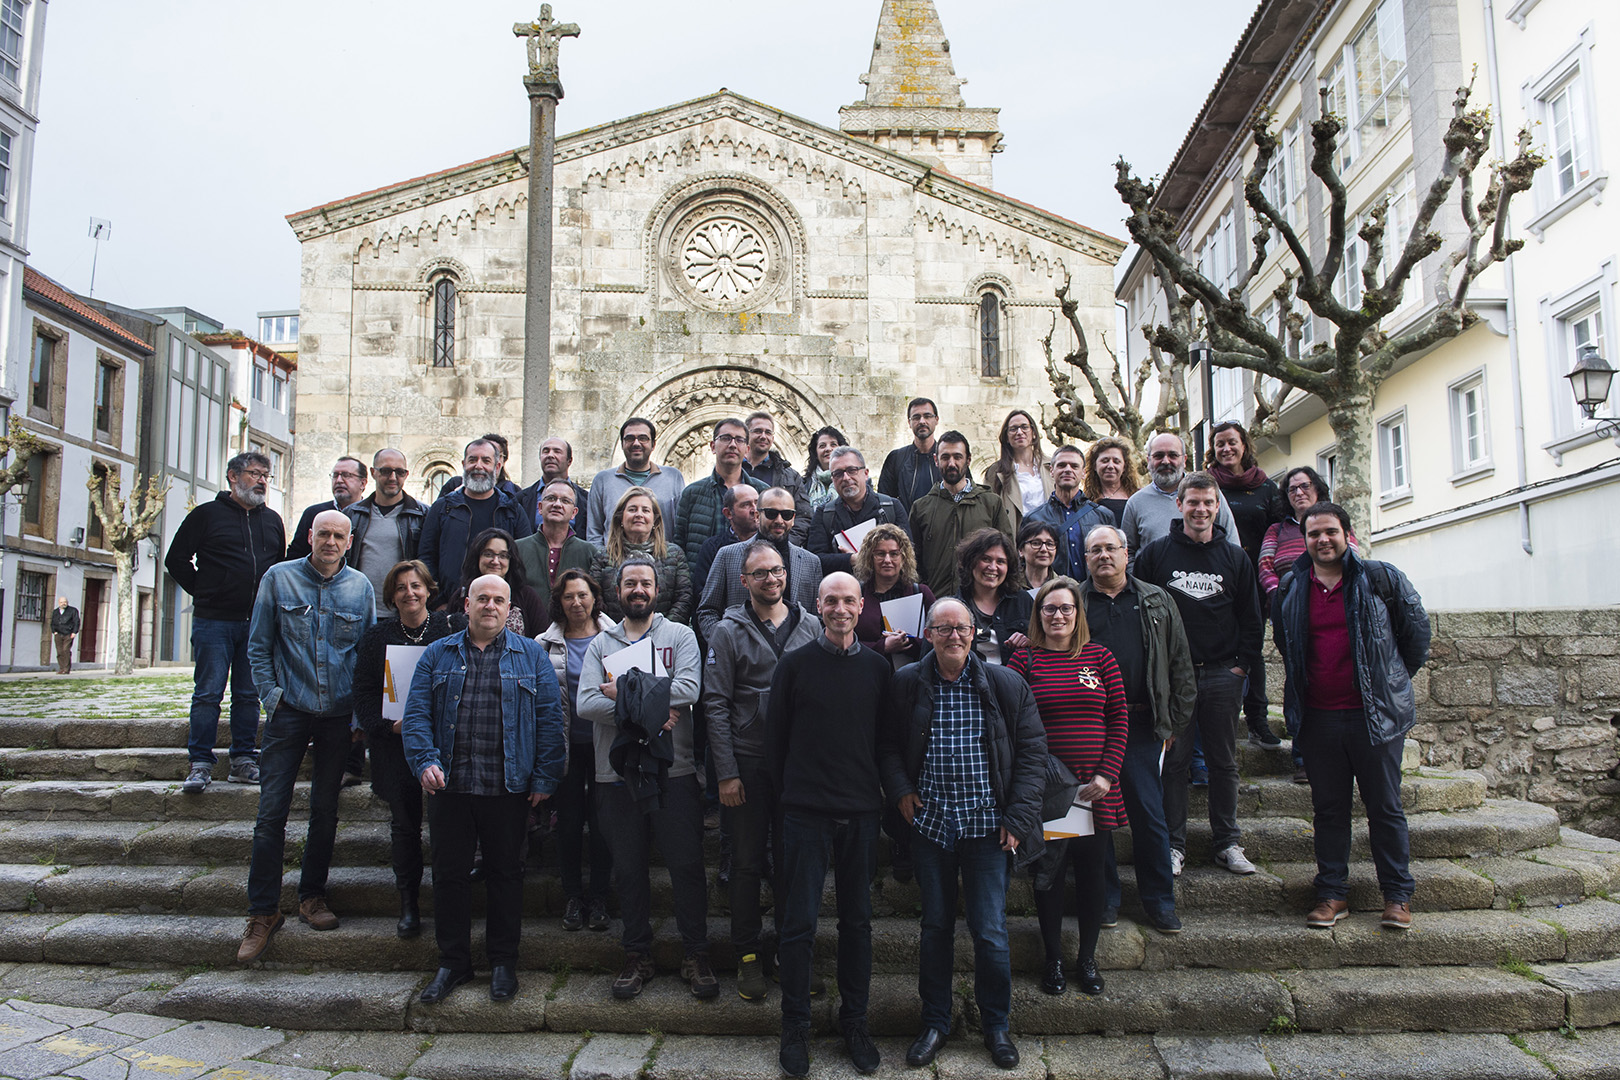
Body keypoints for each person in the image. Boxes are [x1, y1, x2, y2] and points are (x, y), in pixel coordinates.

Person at [884, 596, 1046, 1070]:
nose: (953, 636)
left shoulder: (1005, 683)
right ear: (929, 634)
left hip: (987, 830)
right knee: (935, 928)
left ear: (974, 634)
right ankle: (935, 1022)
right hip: (930, 827)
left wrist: (1018, 819)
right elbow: (888, 744)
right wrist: (899, 790)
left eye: (961, 629)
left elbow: (1034, 754)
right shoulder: (906, 683)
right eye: (943, 629)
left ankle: (996, 1026)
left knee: (991, 931)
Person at [403, 573, 567, 1004]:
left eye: (498, 600)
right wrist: (424, 761)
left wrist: (545, 777)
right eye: (482, 599)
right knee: (449, 876)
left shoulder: (531, 656)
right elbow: (417, 712)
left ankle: (502, 964)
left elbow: (552, 720)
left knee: (506, 876)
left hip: (507, 788)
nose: (490, 606)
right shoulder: (437, 653)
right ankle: (452, 963)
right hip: (450, 787)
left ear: (509, 608)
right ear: (467, 604)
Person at [1273, 502, 1430, 932]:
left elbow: (1415, 636)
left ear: (1347, 534)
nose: (1322, 540)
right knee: (1328, 810)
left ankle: (1397, 896)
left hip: (1373, 717)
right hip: (1319, 717)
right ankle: (1332, 894)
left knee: (1385, 807)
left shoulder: (1380, 578)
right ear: (1303, 540)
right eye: (1313, 534)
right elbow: (1288, 645)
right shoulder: (1291, 587)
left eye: (1330, 532)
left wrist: (1389, 681)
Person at [767, 572, 892, 1078]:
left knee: (857, 924)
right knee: (797, 924)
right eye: (831, 600)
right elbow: (775, 744)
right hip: (805, 812)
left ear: (862, 606)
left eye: (849, 601)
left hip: (861, 813)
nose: (841, 609)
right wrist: (794, 797)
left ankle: (854, 1022)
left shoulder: (879, 669)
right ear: (817, 605)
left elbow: (886, 741)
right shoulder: (794, 665)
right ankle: (795, 1024)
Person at [238, 510, 375, 963]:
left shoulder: (361, 588)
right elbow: (257, 645)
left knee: (325, 810)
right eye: (323, 534)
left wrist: (359, 714)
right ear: (311, 537)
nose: (330, 542)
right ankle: (262, 912)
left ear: (349, 541)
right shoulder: (278, 579)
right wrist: (271, 697)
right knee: (270, 812)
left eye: (339, 535)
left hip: (338, 715)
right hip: (289, 710)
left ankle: (311, 896)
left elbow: (366, 654)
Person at [575, 558, 711, 1000]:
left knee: (687, 866)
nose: (638, 589)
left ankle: (696, 954)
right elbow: (586, 703)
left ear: (658, 589)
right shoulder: (601, 644)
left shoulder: (681, 635)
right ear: (617, 591)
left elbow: (690, 689)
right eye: (630, 582)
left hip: (676, 770)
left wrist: (626, 695)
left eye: (645, 583)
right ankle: (637, 954)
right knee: (629, 869)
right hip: (615, 775)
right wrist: (651, 706)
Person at [704, 540, 823, 1001]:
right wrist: (726, 773)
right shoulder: (728, 631)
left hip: (798, 767)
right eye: (760, 574)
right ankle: (748, 954)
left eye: (777, 571)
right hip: (748, 763)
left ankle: (792, 954)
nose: (771, 579)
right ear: (744, 581)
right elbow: (714, 704)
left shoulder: (810, 625)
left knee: (796, 867)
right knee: (749, 863)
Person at [1133, 473, 1263, 879]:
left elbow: (1251, 618)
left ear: (1217, 506)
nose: (1201, 509)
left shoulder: (1236, 558)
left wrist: (1241, 665)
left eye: (1209, 503)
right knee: (1174, 763)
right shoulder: (1155, 555)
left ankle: (1227, 842)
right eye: (1194, 502)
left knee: (1224, 762)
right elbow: (1141, 616)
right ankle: (1174, 844)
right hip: (1174, 680)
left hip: (1224, 674)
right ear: (1180, 505)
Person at [1010, 577, 1129, 1000]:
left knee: (1093, 876)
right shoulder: (1024, 661)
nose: (1057, 615)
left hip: (1094, 791)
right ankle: (1053, 960)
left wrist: (1106, 774)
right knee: (1051, 876)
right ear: (1038, 614)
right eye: (1049, 608)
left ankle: (1088, 960)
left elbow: (1118, 720)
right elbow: (1011, 722)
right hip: (1051, 794)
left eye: (1066, 608)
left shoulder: (1100, 658)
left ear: (1078, 613)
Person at [1080, 526, 1196, 935]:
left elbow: (1180, 661)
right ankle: (1105, 899)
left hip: (1144, 723)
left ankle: (1160, 901)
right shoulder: (1074, 601)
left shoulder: (1156, 599)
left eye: (1110, 548)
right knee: (1095, 818)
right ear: (1086, 557)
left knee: (1150, 815)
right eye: (1095, 550)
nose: (1103, 556)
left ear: (1127, 553)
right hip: (1091, 725)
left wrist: (1175, 721)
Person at [351, 559, 462, 940]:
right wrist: (387, 726)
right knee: (404, 827)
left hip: (445, 745)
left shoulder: (452, 629)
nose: (409, 593)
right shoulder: (376, 637)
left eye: (416, 586)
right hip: (395, 746)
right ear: (391, 596)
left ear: (429, 590)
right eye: (401, 588)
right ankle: (409, 904)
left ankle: (450, 904)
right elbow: (364, 694)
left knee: (448, 827)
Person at [166, 451, 286, 793]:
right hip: (214, 621)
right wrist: (206, 592)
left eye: (266, 475)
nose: (262, 480)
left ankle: (243, 761)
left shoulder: (273, 520)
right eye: (254, 473)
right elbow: (176, 559)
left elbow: (279, 569)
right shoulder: (206, 516)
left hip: (258, 624)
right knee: (207, 693)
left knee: (249, 694)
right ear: (233, 477)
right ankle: (200, 763)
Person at [1260, 467, 1359, 781]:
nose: (1298, 492)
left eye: (1304, 486)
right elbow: (1265, 565)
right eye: (1291, 489)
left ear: (1317, 489)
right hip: (1289, 612)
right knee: (1298, 676)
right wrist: (1284, 595)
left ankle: (1348, 753)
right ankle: (1303, 757)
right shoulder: (1278, 529)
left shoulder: (1336, 522)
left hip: (1335, 607)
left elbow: (1353, 559)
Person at [538, 569, 616, 934]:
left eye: (583, 595)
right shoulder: (544, 643)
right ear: (559, 601)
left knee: (603, 824)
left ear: (594, 598)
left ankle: (599, 896)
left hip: (604, 744)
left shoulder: (615, 637)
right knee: (568, 823)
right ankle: (572, 895)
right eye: (568, 596)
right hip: (565, 747)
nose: (576, 603)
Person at [1205, 421, 1287, 749]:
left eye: (1232, 443)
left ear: (1244, 445)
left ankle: (1257, 720)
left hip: (1256, 581)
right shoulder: (1205, 484)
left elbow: (1279, 531)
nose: (1226, 449)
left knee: (1252, 650)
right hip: (1215, 582)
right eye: (1220, 444)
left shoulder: (1266, 487)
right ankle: (1222, 719)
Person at [696, 487, 821, 643]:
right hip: (742, 659)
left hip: (796, 659)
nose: (779, 520)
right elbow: (707, 610)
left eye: (786, 514)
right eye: (771, 513)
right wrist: (723, 644)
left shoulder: (810, 562)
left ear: (794, 518)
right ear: (757, 515)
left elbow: (817, 616)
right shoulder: (727, 555)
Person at [418, 439, 534, 601]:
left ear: (497, 467)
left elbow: (524, 559)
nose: (478, 466)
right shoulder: (442, 508)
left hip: (498, 605)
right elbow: (426, 557)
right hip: (450, 604)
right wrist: (438, 601)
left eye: (486, 461)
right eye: (472, 460)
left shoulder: (512, 510)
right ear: (464, 464)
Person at [910, 431, 1015, 599]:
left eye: (957, 457)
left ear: (968, 460)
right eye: (945, 457)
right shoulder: (922, 507)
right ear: (936, 460)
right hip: (936, 600)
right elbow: (913, 561)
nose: (951, 463)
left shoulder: (991, 503)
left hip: (981, 601)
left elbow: (1008, 554)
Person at [1120, 433, 1240, 561]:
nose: (1166, 461)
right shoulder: (1136, 502)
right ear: (1149, 460)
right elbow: (1127, 551)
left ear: (1184, 459)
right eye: (1158, 456)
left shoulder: (1207, 494)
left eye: (1173, 455)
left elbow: (1232, 544)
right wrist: (1139, 578)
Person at [589, 487, 693, 624]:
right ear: (621, 518)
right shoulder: (603, 556)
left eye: (645, 510)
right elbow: (595, 598)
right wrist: (618, 632)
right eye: (632, 509)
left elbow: (683, 598)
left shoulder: (674, 554)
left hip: (664, 638)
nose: (639, 514)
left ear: (655, 520)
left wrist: (660, 630)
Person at [343, 449, 426, 618]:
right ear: (373, 473)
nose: (393, 478)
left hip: (404, 613)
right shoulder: (351, 515)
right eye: (386, 471)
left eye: (400, 472)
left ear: (407, 474)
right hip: (357, 612)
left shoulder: (423, 515)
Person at [805, 447, 910, 576]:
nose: (845, 477)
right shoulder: (824, 514)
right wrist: (850, 560)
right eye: (838, 473)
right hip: (843, 591)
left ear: (865, 473)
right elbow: (814, 559)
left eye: (852, 470)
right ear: (832, 480)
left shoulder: (891, 507)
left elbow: (908, 552)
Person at [675, 417, 767, 564]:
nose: (732, 445)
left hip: (751, 579)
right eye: (725, 438)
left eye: (739, 440)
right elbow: (679, 546)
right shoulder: (692, 493)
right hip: (703, 579)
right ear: (712, 446)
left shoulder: (763, 492)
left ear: (747, 450)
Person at [585, 417, 686, 544]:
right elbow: (594, 532)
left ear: (653, 444)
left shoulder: (673, 477)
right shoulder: (603, 480)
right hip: (614, 561)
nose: (636, 443)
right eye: (630, 438)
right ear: (622, 443)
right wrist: (604, 560)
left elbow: (680, 529)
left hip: (661, 561)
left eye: (643, 438)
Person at [513, 480, 598, 628]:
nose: (557, 504)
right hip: (526, 635)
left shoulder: (589, 552)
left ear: (574, 513)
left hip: (573, 634)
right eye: (551, 498)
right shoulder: (517, 549)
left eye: (565, 500)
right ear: (540, 507)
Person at [851, 523, 935, 669]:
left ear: (904, 558)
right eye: (880, 554)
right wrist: (882, 646)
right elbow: (846, 642)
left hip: (912, 679)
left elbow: (938, 638)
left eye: (894, 554)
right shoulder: (857, 593)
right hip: (867, 675)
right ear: (870, 558)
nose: (887, 560)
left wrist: (907, 641)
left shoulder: (921, 593)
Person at [1025, 445, 1116, 579]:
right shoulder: (1034, 518)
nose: (1068, 470)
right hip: (1052, 593)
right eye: (1062, 465)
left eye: (1074, 466)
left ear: (1083, 472)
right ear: (1052, 470)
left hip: (1094, 593)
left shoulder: (1103, 516)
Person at [440, 529, 546, 635]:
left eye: (503, 556)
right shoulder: (461, 596)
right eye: (488, 554)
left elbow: (540, 639)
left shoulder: (526, 596)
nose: (495, 561)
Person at [954, 528, 1034, 666]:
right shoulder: (953, 607)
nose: (993, 567)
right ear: (970, 561)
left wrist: (1031, 643)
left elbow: (1046, 648)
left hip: (1014, 682)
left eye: (1001, 562)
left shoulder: (1023, 601)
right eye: (986, 559)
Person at [742, 411, 810, 542]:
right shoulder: (734, 470)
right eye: (757, 431)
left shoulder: (790, 476)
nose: (763, 436)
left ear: (773, 438)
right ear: (746, 435)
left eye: (768, 432)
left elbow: (803, 517)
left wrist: (784, 545)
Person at [286, 456, 368, 561]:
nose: (339, 480)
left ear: (363, 483)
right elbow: (296, 555)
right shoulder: (313, 513)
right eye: (335, 475)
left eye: (346, 475)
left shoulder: (370, 516)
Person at [985, 409, 1053, 527]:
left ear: (1034, 433)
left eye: (1024, 427)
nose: (1019, 432)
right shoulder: (996, 472)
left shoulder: (1051, 466)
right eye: (1013, 429)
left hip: (1048, 537)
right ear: (1006, 437)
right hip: (1015, 538)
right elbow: (987, 511)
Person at [690, 483, 759, 595]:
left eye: (757, 503)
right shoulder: (713, 548)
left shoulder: (770, 544)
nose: (754, 510)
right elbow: (702, 592)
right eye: (746, 505)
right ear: (728, 513)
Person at [878, 397, 942, 511]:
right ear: (909, 422)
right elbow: (884, 502)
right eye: (916, 417)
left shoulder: (948, 459)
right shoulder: (896, 459)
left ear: (936, 420)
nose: (922, 421)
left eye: (927, 416)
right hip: (905, 527)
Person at [517, 436, 588, 535]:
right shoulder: (520, 499)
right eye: (546, 451)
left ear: (569, 461)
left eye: (557, 451)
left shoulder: (586, 500)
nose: (550, 455)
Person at [440, 432, 523, 500]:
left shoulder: (514, 492)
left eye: (487, 459)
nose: (479, 466)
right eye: (473, 459)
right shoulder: (454, 484)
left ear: (501, 462)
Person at [1085, 437, 1143, 524]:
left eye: (1116, 461)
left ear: (1124, 467)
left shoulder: (1138, 497)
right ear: (1094, 466)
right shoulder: (1085, 501)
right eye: (1105, 461)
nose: (1110, 466)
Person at [803, 425, 847, 510]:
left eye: (833, 444)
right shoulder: (804, 485)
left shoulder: (851, 480)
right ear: (816, 453)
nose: (828, 449)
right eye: (822, 446)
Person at [1017, 520, 1061, 594]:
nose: (1044, 549)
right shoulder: (1010, 585)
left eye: (1049, 544)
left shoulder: (1065, 585)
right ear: (1021, 550)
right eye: (1036, 543)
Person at [50, 597, 80, 675]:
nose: (64, 603)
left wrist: (74, 632)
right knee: (59, 651)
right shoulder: (55, 612)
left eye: (65, 602)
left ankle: (66, 669)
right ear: (59, 603)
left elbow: (76, 621)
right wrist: (54, 631)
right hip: (58, 634)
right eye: (62, 602)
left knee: (65, 650)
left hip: (68, 634)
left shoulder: (73, 611)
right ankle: (61, 668)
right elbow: (52, 622)